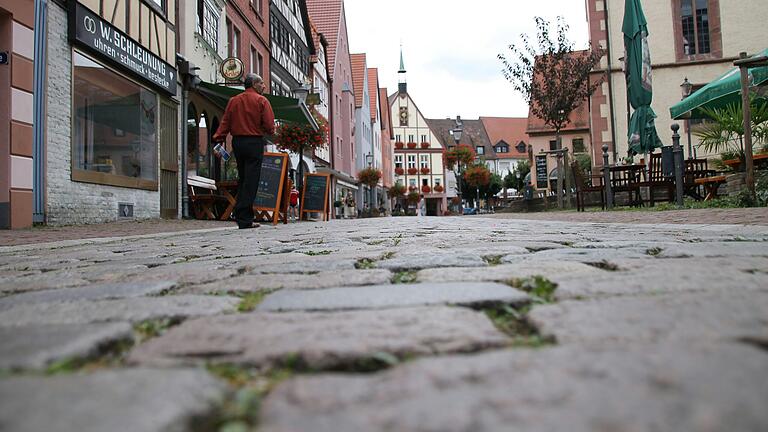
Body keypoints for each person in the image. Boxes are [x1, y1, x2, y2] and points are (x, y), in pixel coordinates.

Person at [212, 73, 275, 229]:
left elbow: (225, 122)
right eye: (261, 83)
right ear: (254, 84)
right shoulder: (262, 100)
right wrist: (268, 130)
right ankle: (244, 218)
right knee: (251, 180)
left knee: (243, 178)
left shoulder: (234, 101)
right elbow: (269, 126)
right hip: (254, 142)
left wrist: (218, 141)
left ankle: (241, 214)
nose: (264, 86)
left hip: (238, 142)